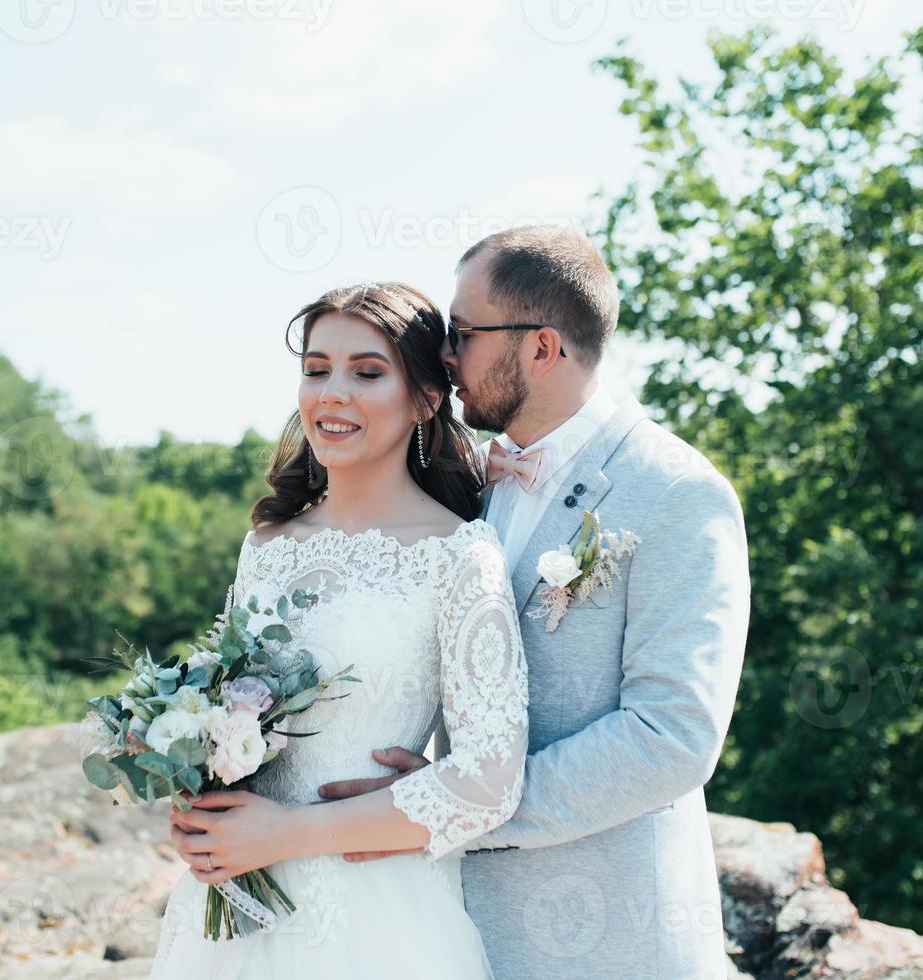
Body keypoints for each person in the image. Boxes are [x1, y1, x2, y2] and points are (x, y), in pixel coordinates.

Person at [317, 226, 751, 979]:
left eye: (464, 333)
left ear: (542, 348)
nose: (445, 356)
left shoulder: (677, 494)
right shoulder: (466, 488)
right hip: (458, 933)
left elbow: (670, 737)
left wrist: (444, 810)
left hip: (615, 945)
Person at [148, 281, 529, 979]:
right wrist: (199, 803)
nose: (333, 393)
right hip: (236, 912)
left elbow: (488, 783)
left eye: (367, 372)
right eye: (317, 369)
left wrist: (289, 834)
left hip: (376, 915)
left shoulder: (459, 555)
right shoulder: (266, 545)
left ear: (425, 398)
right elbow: (228, 708)